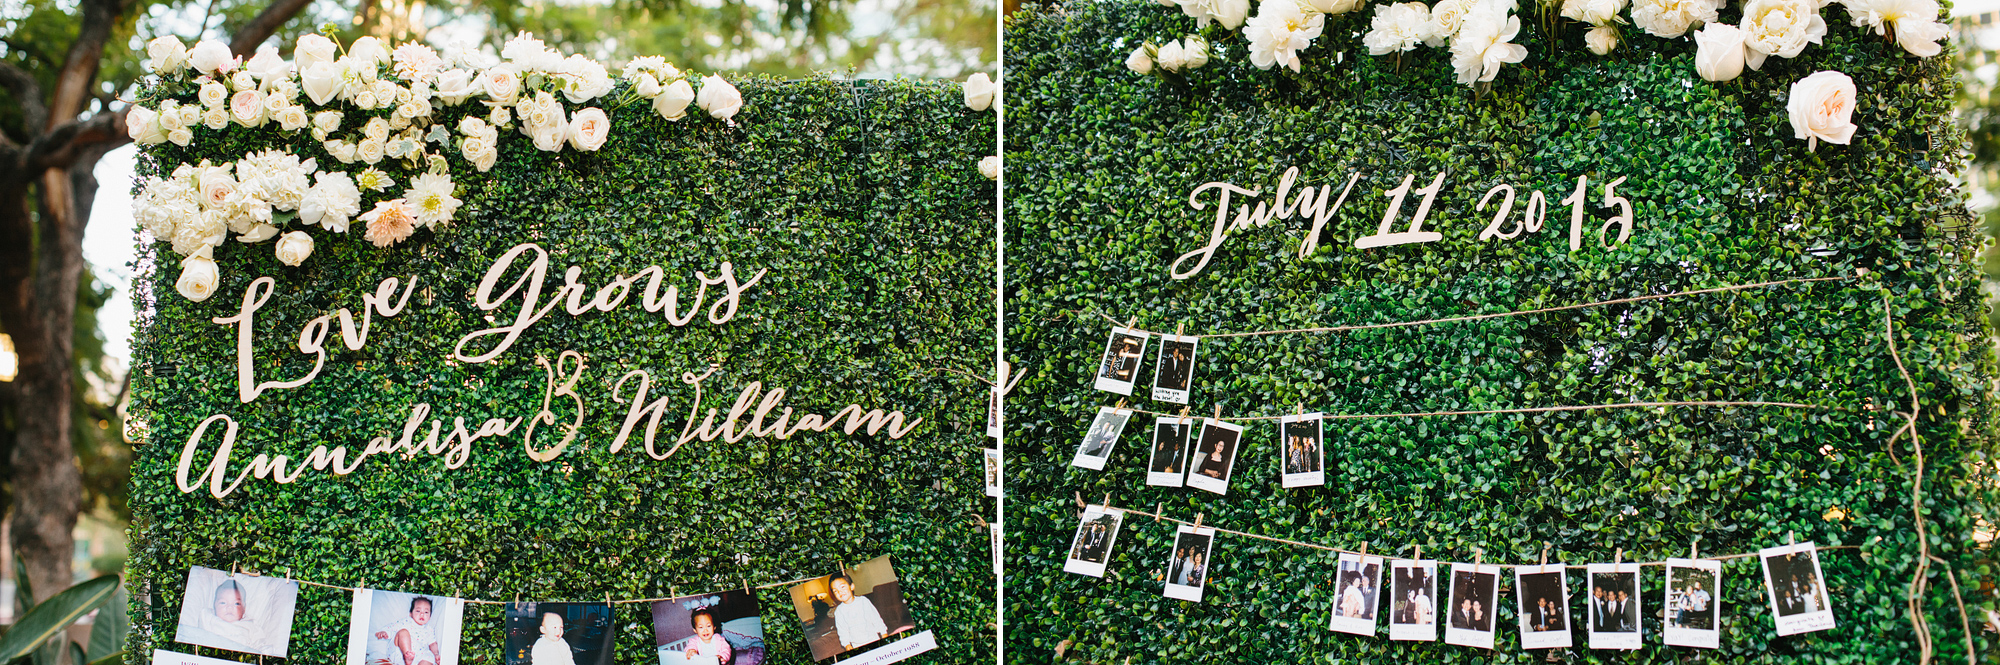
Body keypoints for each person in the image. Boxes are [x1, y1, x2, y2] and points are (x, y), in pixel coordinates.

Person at [828, 573, 888, 651]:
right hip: (856, 645)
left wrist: (883, 633)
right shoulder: (839, 612)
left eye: (842, 587)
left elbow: (876, 618)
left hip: (873, 638)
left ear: (852, 586)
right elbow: (842, 630)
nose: (840, 592)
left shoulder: (863, 601)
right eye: (835, 591)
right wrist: (847, 644)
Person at [374, 596, 441, 665]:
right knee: (403, 632)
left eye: (426, 612)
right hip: (400, 654)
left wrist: (436, 654)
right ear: (411, 614)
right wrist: (385, 632)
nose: (422, 614)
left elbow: (433, 643)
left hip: (418, 657)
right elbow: (392, 627)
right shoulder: (406, 622)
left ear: (430, 617)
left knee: (429, 657)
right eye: (418, 611)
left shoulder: (429, 630)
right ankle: (407, 656)